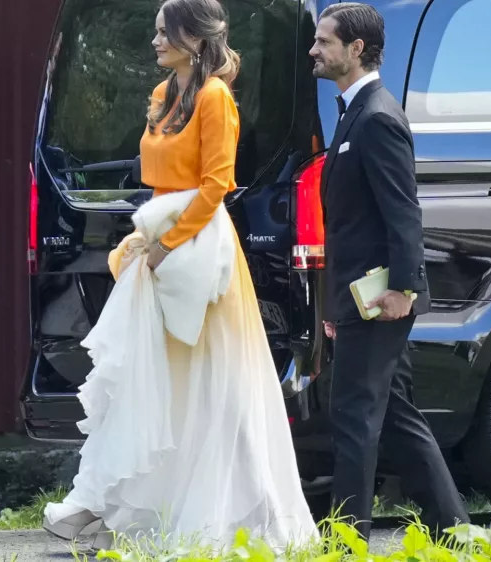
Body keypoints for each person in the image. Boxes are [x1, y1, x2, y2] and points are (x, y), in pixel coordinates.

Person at [42, 0, 317, 552]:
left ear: (193, 37)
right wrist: (147, 236)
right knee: (157, 380)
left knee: (211, 382)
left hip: (197, 250)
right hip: (159, 238)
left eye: (164, 32)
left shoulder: (215, 98)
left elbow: (217, 184)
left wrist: (168, 242)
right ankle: (133, 505)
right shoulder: (165, 94)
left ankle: (218, 509)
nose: (155, 41)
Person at [309, 2, 469, 541]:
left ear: (356, 50)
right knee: (395, 414)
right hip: (358, 297)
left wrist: (404, 287)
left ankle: (344, 542)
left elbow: (404, 212)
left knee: (353, 417)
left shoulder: (377, 117)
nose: (314, 50)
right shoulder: (356, 112)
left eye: (324, 41)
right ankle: (457, 532)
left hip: (380, 298)